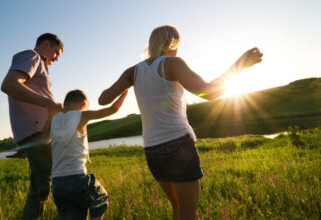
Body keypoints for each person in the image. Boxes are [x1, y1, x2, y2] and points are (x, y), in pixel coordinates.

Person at [98, 25, 263, 220]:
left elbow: (103, 99)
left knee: (177, 207)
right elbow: (208, 92)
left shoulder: (132, 72)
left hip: (152, 150)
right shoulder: (172, 63)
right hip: (178, 145)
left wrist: (126, 85)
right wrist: (240, 65)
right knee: (188, 212)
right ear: (172, 43)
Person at [0, 33, 64, 219]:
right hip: (36, 134)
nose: (57, 58)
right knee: (45, 186)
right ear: (45, 44)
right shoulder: (32, 56)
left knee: (39, 185)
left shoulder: (40, 64)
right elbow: (9, 85)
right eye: (56, 52)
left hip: (38, 134)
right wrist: (49, 104)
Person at [41, 89, 128, 220]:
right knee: (101, 198)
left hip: (57, 183)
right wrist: (125, 90)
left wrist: (49, 116)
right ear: (82, 105)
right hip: (76, 178)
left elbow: (43, 140)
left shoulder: (54, 120)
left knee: (74, 215)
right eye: (85, 107)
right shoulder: (80, 115)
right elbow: (113, 109)